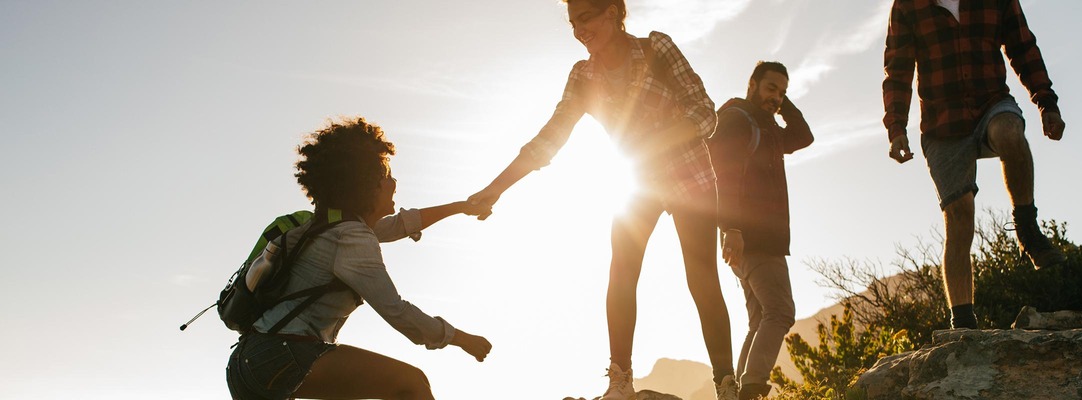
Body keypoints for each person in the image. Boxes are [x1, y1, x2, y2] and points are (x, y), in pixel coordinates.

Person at [465, 1, 738, 398]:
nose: (579, 29)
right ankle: (620, 381)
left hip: (688, 175)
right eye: (573, 22)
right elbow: (550, 138)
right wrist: (496, 187)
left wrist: (658, 142)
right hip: (637, 183)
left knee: (701, 278)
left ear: (612, 12)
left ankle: (726, 382)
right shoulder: (583, 75)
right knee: (621, 274)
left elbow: (704, 112)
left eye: (586, 18)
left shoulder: (655, 48)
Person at [226, 117, 493, 400]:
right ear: (368, 186)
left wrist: (460, 207)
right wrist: (461, 339)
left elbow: (401, 224)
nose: (394, 182)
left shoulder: (334, 228)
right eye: (387, 176)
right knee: (410, 383)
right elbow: (396, 311)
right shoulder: (352, 236)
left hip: (253, 362)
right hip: (280, 357)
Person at [881, 0, 1067, 329]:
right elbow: (897, 70)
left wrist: (1045, 101)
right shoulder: (908, 5)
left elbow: (1023, 46)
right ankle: (963, 322)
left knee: (1010, 134)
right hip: (943, 126)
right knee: (959, 216)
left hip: (991, 103)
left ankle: (1027, 229)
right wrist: (896, 128)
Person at [709, 61, 813, 400]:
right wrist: (732, 227)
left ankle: (738, 392)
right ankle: (751, 390)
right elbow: (724, 174)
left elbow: (803, 137)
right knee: (781, 312)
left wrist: (784, 104)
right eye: (771, 88)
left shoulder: (767, 128)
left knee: (759, 321)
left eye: (782, 92)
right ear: (752, 84)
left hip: (752, 238)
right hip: (752, 237)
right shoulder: (739, 120)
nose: (776, 97)